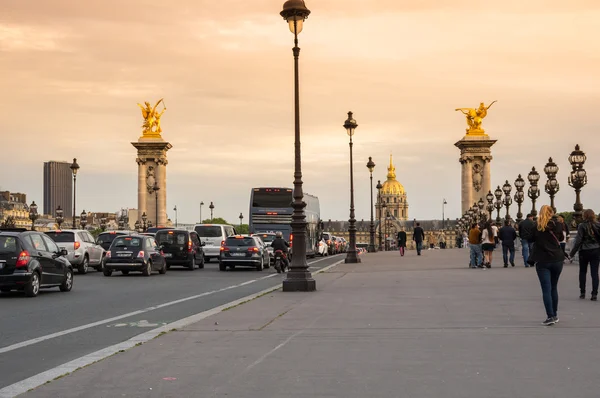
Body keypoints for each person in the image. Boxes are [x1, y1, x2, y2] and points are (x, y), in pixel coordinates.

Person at [529, 205, 565, 325]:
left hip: (543, 260)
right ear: (552, 213)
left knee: (546, 289)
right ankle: (555, 314)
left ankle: (550, 316)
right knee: (554, 287)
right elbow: (560, 238)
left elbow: (530, 239)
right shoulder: (558, 224)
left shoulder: (537, 226)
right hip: (557, 259)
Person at [569, 209, 600, 301]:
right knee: (594, 273)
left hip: (584, 250)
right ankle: (594, 294)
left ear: (584, 216)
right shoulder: (598, 224)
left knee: (582, 271)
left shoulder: (582, 225)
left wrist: (572, 253)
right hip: (596, 249)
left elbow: (578, 241)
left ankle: (582, 292)